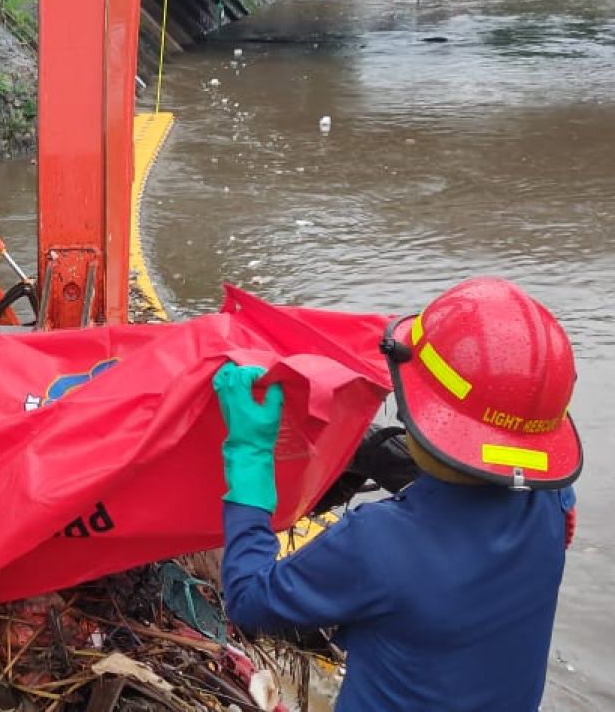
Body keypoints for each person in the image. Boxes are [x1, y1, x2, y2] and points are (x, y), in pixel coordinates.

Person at [213, 276, 581, 711]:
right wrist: (382, 454)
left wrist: (250, 456)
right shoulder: (554, 502)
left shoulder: (375, 540)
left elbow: (249, 602)